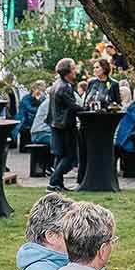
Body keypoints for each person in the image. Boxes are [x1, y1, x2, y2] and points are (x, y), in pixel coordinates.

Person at [45, 58, 79, 191]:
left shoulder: (57, 84)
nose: (75, 71)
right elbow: (72, 106)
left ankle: (57, 184)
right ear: (68, 71)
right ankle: (54, 182)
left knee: (60, 155)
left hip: (56, 124)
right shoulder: (64, 87)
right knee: (69, 156)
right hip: (65, 125)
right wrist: (88, 109)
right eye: (73, 68)